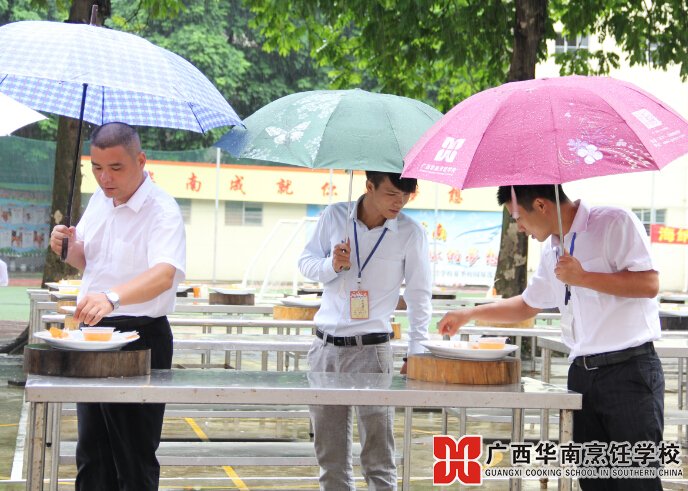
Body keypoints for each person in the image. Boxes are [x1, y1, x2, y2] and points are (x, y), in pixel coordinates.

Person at [439, 184, 664, 491]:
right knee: (594, 481)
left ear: (541, 205)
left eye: (518, 217)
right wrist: (470, 313)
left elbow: (649, 284)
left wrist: (583, 277)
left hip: (628, 372)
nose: (519, 227)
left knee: (637, 480)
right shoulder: (552, 249)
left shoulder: (614, 222)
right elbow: (527, 304)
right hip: (581, 376)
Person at [49, 122, 186, 491]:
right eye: (96, 167)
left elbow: (164, 274)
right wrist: (66, 248)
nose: (105, 178)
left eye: (115, 168)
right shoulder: (100, 200)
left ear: (140, 160)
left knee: (133, 456)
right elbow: (91, 263)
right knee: (92, 454)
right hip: (94, 334)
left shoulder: (161, 210)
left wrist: (111, 297)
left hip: (139, 337)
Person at [299, 171, 432, 490]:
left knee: (378, 455)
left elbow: (419, 294)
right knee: (329, 455)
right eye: (391, 194)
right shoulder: (335, 216)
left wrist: (417, 351)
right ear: (369, 186)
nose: (399, 202)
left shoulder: (410, 232)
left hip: (373, 351)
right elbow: (305, 262)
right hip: (325, 348)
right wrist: (332, 265)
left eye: (406, 195)